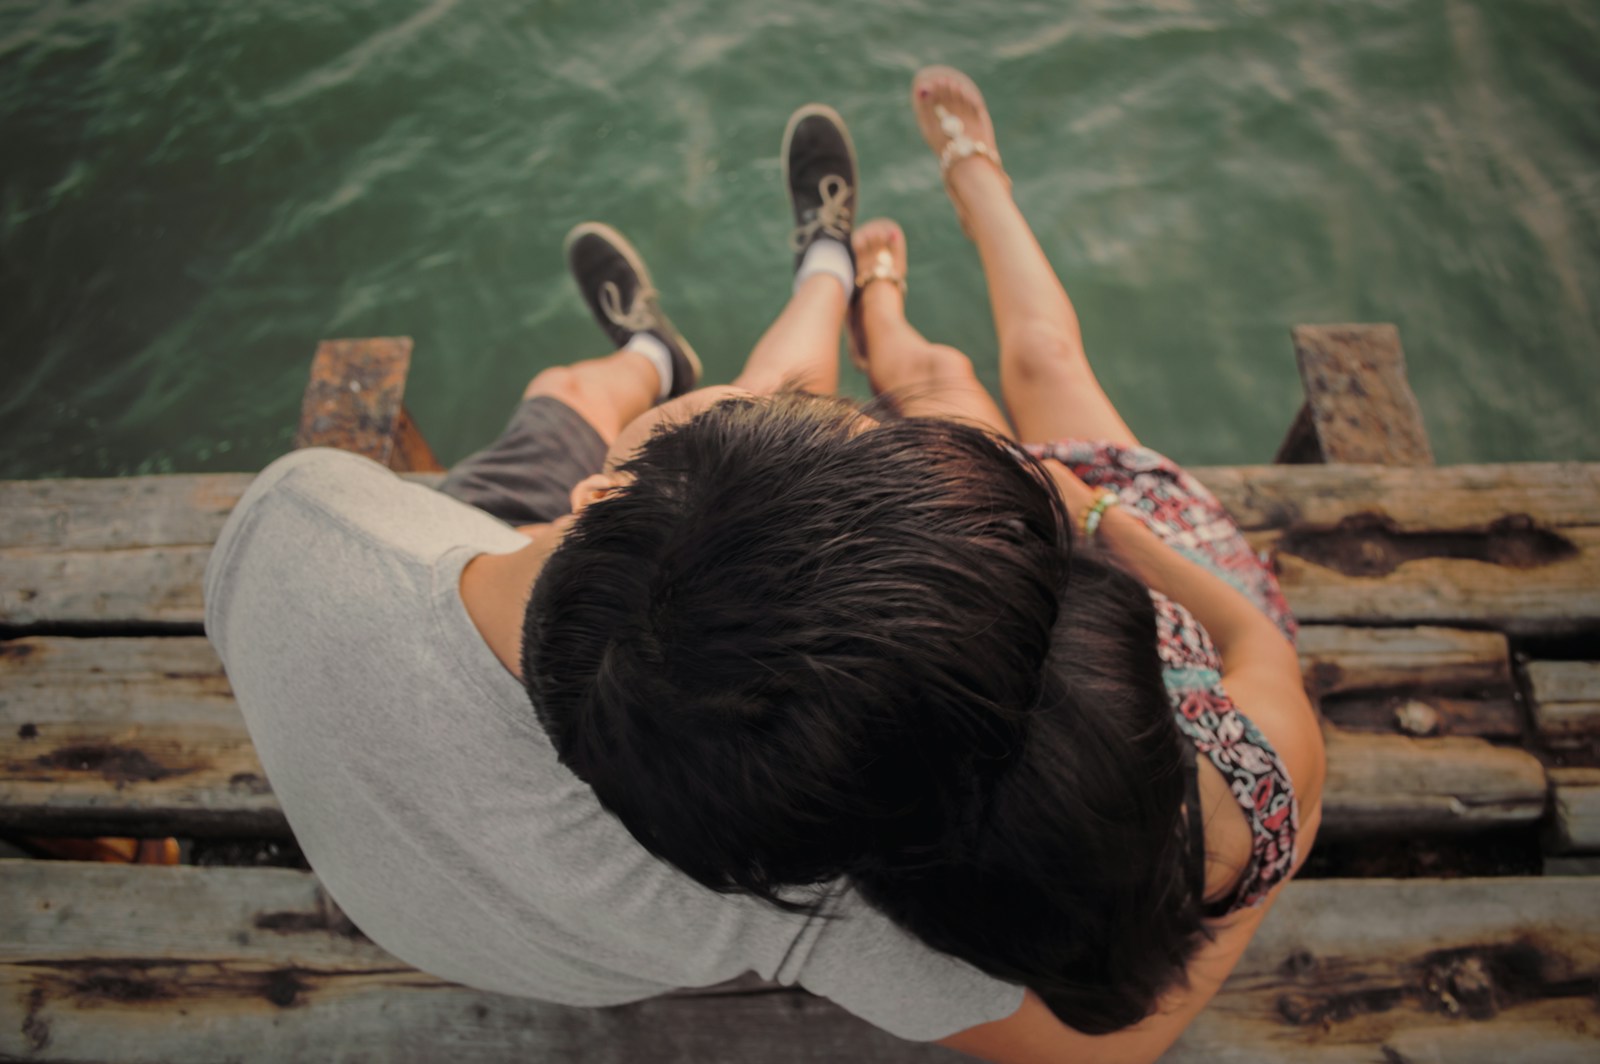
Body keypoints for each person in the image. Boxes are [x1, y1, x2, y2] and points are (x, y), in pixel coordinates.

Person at [204, 102, 1078, 1048]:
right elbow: (1101, 1049)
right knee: (677, 400)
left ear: (586, 501)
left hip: (451, 633)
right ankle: (808, 276)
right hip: (548, 916)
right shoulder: (777, 865)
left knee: (566, 394)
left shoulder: (305, 513)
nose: (773, 404)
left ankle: (655, 355)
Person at [529, 67, 1328, 1062]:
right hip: (1155, 547)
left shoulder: (907, 862)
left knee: (948, 387)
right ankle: (963, 194)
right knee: (1035, 362)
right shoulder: (1260, 780)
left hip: (1012, 570)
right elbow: (1252, 635)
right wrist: (1107, 525)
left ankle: (866, 308)